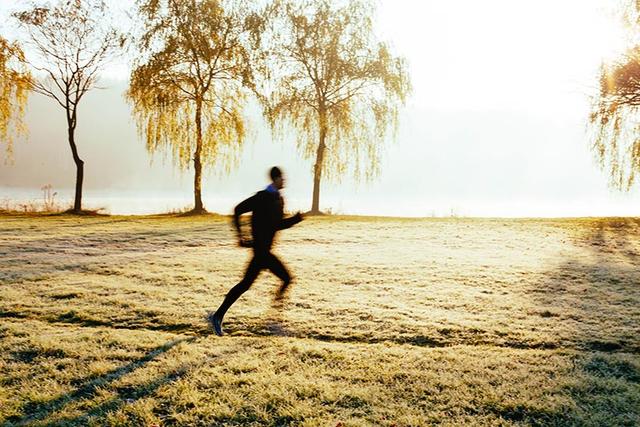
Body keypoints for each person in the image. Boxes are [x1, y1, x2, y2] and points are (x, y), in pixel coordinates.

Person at [208, 166, 304, 336]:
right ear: (275, 179)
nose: (285, 181)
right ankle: (219, 317)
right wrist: (241, 236)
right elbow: (238, 210)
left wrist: (295, 220)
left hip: (265, 251)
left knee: (248, 284)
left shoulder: (279, 199)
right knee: (284, 279)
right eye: (282, 178)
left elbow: (277, 225)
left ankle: (219, 316)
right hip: (261, 252)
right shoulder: (262, 197)